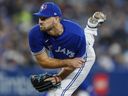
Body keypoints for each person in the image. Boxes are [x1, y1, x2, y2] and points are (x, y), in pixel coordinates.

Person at [28, 2, 106, 96]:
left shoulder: (75, 34)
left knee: (61, 93)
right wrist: (66, 66)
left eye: (45, 18)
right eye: (40, 18)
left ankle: (90, 29)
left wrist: (59, 77)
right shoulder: (35, 34)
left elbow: (75, 64)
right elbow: (43, 62)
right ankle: (90, 27)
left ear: (56, 19)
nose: (40, 21)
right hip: (64, 58)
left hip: (83, 58)